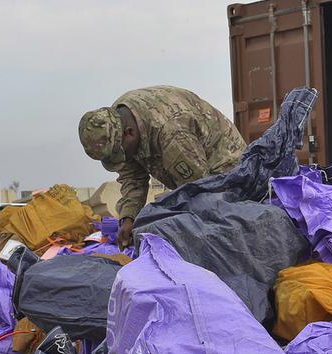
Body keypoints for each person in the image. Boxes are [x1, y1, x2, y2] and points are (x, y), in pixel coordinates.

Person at [79, 86, 247, 246]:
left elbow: (198, 191)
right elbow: (133, 177)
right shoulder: (116, 122)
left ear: (129, 133)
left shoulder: (172, 133)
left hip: (225, 169)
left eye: (120, 153)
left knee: (209, 227)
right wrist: (128, 218)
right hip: (192, 170)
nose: (122, 158)